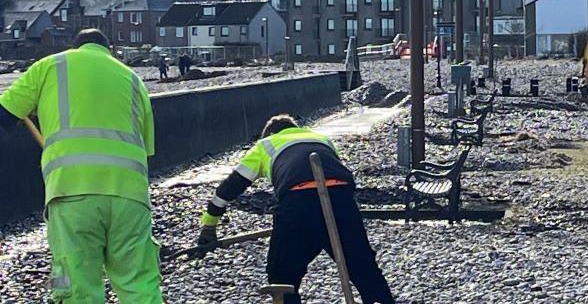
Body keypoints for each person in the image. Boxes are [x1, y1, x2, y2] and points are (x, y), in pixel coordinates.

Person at [0, 29, 162, 303]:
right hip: (131, 197)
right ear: (108, 50)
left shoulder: (50, 66)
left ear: (77, 47)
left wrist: (34, 110)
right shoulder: (134, 80)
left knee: (74, 283)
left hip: (72, 194)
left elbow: (4, 114)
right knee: (140, 282)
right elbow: (145, 151)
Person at [195, 114, 394, 304]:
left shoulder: (266, 145)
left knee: (282, 275)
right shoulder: (321, 139)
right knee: (362, 266)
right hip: (341, 198)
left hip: (298, 202)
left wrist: (209, 226)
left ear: (270, 133)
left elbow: (229, 189)